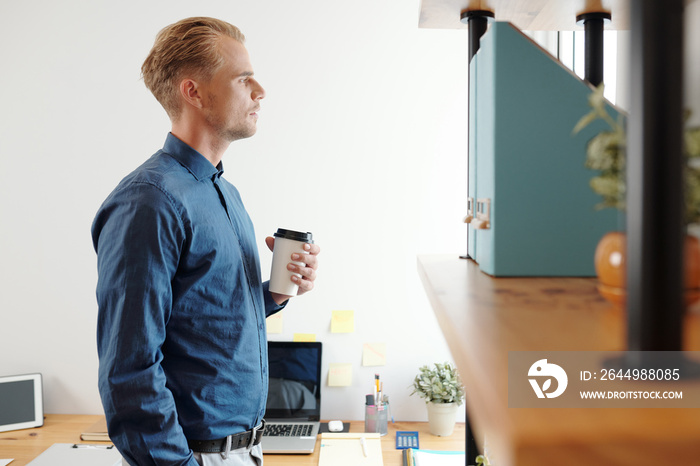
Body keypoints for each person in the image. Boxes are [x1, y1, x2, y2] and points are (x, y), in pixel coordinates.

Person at [91, 17, 320, 466]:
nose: (260, 90)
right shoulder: (149, 202)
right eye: (243, 79)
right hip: (191, 458)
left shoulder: (223, 193)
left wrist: (272, 294)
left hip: (245, 450)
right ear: (193, 92)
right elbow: (128, 369)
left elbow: (204, 315)